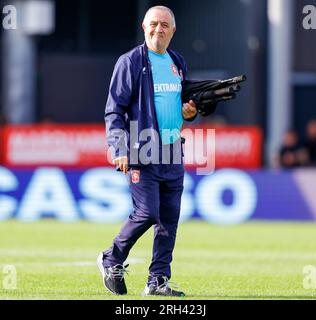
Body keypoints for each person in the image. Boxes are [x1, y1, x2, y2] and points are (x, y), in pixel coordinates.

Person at [97, 6, 198, 297]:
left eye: (164, 25)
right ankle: (111, 258)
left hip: (172, 152)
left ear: (173, 30)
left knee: (169, 220)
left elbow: (183, 109)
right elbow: (114, 109)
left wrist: (190, 113)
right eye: (153, 24)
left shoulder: (177, 61)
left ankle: (158, 281)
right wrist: (118, 146)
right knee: (147, 213)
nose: (158, 29)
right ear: (144, 27)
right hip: (141, 149)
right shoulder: (130, 62)